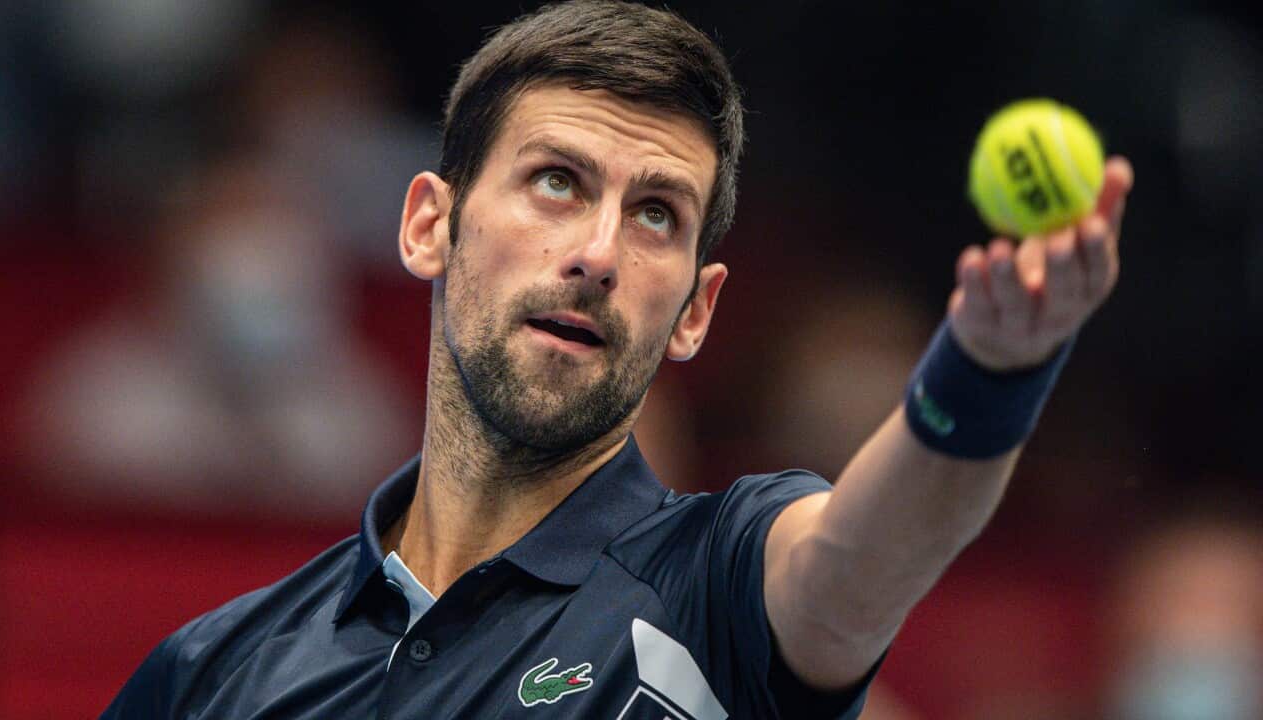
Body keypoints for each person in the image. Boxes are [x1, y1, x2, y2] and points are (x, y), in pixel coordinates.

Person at [103, 1, 1135, 718]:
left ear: (694, 310)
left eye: (654, 213)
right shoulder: (213, 673)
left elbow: (861, 561)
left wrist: (991, 368)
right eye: (555, 181)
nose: (598, 252)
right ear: (429, 225)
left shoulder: (719, 583)